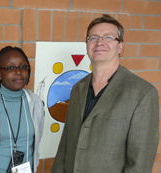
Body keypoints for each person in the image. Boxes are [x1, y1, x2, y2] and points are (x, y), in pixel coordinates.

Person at [51, 14, 159, 173]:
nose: (99, 42)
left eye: (108, 37)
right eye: (93, 37)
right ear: (87, 45)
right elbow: (65, 145)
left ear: (120, 46)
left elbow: (140, 164)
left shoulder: (142, 93)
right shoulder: (77, 88)